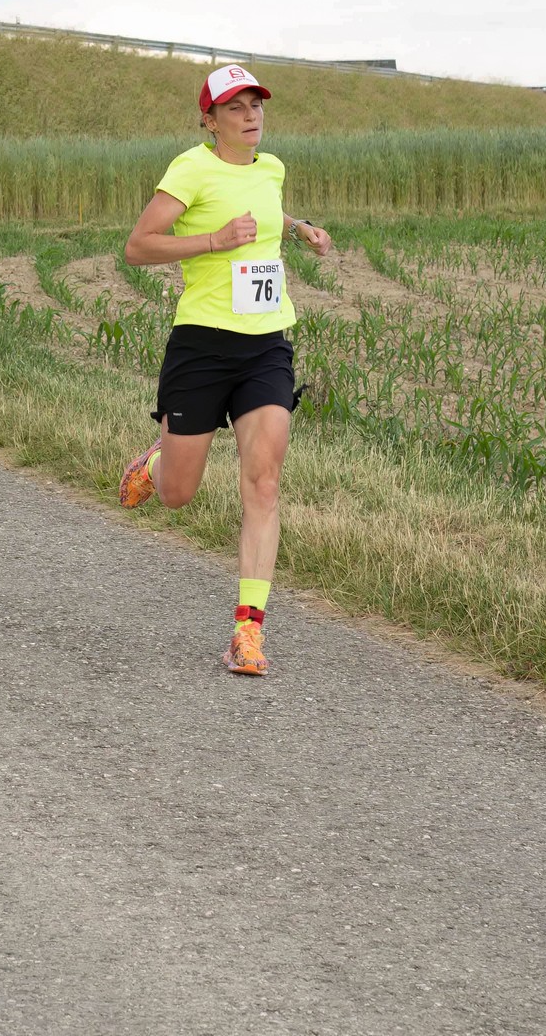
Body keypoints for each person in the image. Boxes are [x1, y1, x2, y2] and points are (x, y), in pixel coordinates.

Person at [116, 63, 332, 677]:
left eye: (255, 104)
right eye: (235, 107)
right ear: (209, 120)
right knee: (178, 495)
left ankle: (247, 632)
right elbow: (138, 246)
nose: (250, 115)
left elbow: (266, 212)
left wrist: (300, 228)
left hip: (267, 345)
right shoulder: (190, 169)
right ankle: (158, 463)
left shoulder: (272, 168)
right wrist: (214, 240)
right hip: (203, 347)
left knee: (264, 482)